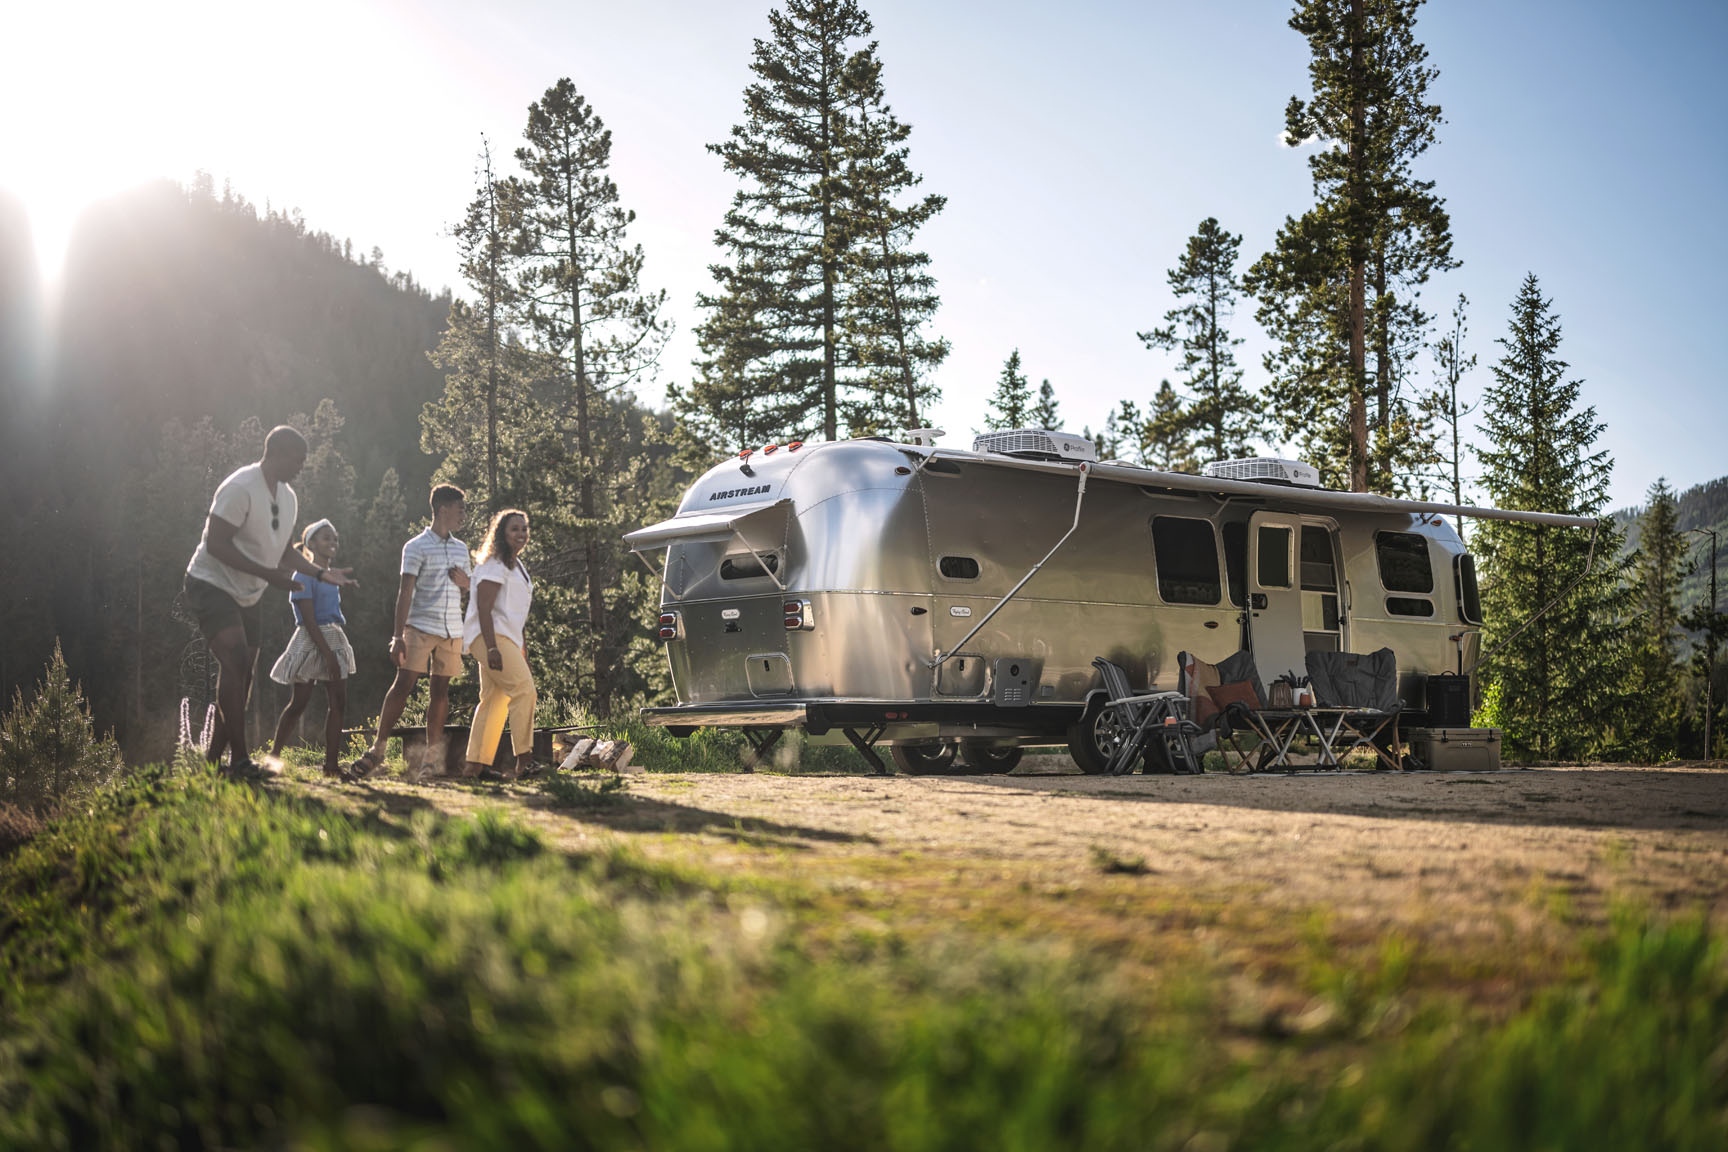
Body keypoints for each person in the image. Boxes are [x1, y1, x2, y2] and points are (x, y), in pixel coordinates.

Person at [183, 425, 354, 778]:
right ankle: (240, 760)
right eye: (297, 459)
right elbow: (216, 544)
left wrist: (321, 574)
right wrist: (269, 574)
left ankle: (213, 765)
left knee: (243, 672)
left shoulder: (288, 498)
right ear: (276, 453)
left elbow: (286, 552)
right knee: (235, 660)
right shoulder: (240, 487)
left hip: (250, 592)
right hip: (211, 583)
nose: (301, 467)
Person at [350, 484, 471, 781]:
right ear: (443, 509)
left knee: (440, 691)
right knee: (403, 683)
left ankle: (431, 758)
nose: (463, 516)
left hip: (452, 630)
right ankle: (377, 750)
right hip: (419, 626)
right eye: (460, 509)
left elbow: (466, 589)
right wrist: (397, 636)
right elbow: (405, 592)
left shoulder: (461, 548)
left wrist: (466, 584)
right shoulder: (415, 546)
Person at [266, 519, 357, 776]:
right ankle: (273, 758)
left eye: (335, 538)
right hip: (311, 638)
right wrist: (327, 654)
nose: (333, 542)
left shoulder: (331, 575)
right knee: (299, 703)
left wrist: (333, 650)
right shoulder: (304, 574)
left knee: (338, 703)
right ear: (311, 544)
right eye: (327, 538)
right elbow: (308, 619)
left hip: (334, 636)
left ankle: (331, 765)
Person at [461, 509, 536, 780]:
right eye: (514, 529)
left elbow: (516, 616)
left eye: (524, 529)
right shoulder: (494, 563)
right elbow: (484, 607)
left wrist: (521, 651)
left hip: (507, 638)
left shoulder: (517, 565)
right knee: (524, 690)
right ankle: (524, 762)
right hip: (489, 636)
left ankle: (474, 767)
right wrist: (492, 648)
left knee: (495, 698)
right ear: (502, 533)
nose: (521, 534)